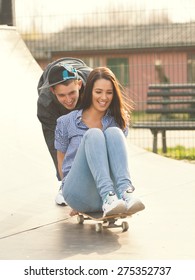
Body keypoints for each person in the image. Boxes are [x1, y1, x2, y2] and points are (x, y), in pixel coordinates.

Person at [55, 67, 145, 217]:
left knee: (113, 132)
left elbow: (118, 163)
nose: (104, 97)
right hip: (78, 193)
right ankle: (108, 197)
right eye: (98, 92)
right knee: (94, 135)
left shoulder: (118, 121)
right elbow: (61, 160)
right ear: (89, 91)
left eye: (109, 93)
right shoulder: (66, 122)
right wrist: (72, 198)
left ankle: (125, 193)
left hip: (111, 197)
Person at [37, 58, 92, 205]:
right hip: (49, 76)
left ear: (79, 85)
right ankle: (65, 184)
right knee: (63, 141)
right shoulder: (46, 103)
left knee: (88, 134)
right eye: (62, 95)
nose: (68, 99)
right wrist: (66, 180)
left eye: (71, 93)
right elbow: (56, 147)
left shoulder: (95, 84)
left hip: (77, 66)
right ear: (53, 91)